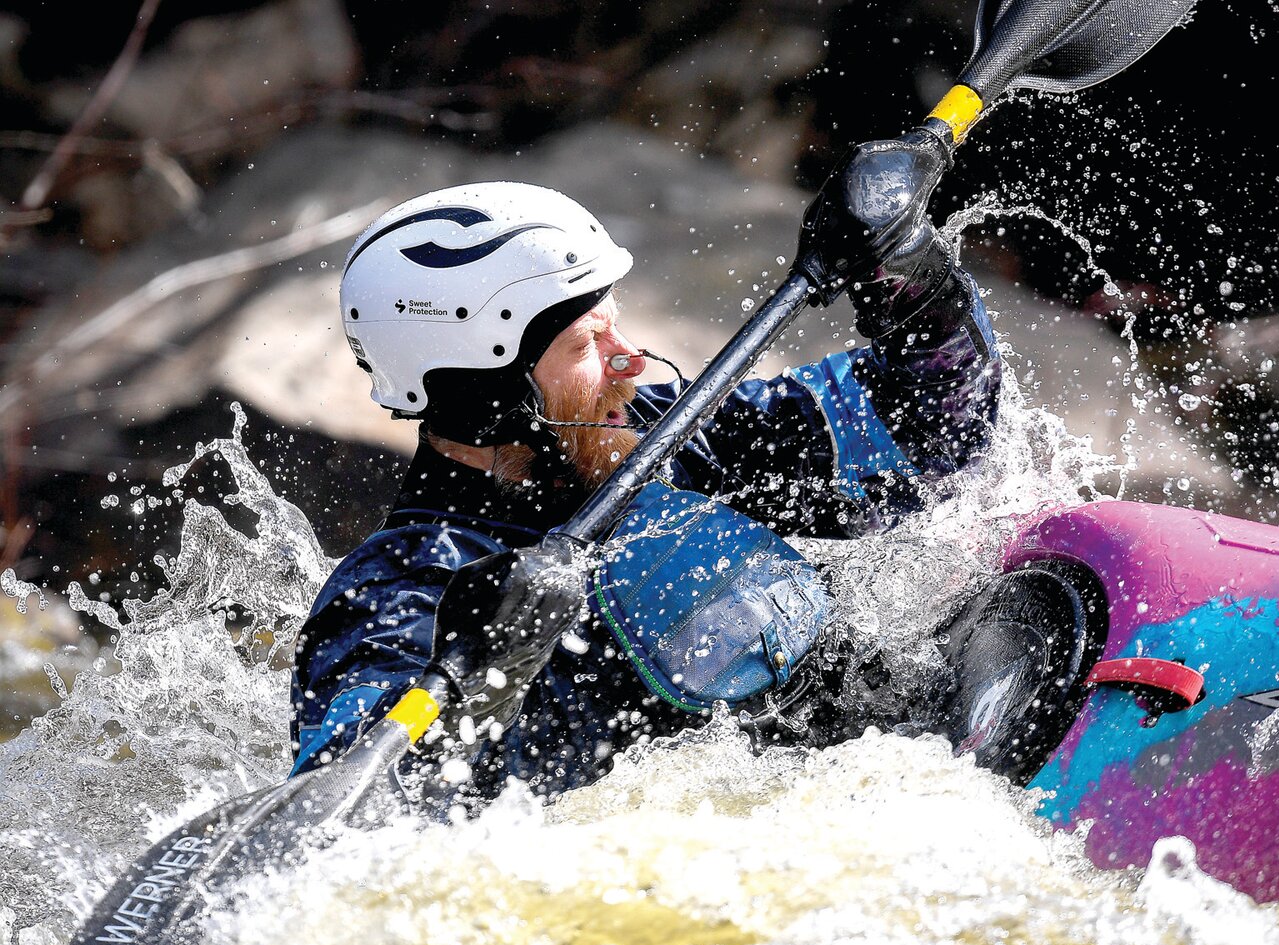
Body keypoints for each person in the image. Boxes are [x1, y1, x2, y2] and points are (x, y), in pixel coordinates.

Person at [290, 133, 1034, 801]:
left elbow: (934, 441)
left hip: (910, 764)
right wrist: (498, 681)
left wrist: (912, 284)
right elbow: (369, 820)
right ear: (489, 390)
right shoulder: (398, 593)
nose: (632, 360)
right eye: (586, 345)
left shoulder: (656, 429)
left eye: (615, 322)